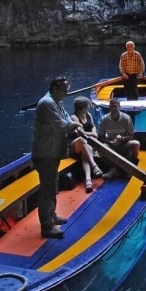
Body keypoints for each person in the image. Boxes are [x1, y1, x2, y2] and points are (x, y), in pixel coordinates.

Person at [31, 76, 83, 239]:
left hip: (53, 151)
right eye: (64, 90)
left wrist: (72, 123)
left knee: (52, 185)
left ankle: (51, 215)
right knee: (47, 189)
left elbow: (66, 117)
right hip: (45, 152)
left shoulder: (56, 102)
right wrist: (74, 125)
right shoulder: (47, 103)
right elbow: (61, 124)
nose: (66, 94)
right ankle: (47, 226)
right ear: (55, 88)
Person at [98, 98, 140, 179]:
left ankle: (131, 166)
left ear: (119, 107)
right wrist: (110, 142)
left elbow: (131, 135)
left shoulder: (126, 118)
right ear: (109, 107)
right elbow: (101, 136)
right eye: (111, 106)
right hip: (111, 143)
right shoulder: (104, 119)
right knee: (101, 148)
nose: (113, 109)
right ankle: (114, 168)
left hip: (123, 143)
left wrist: (123, 139)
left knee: (136, 144)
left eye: (115, 107)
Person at [70, 96, 103, 193]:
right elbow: (80, 132)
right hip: (75, 144)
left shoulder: (88, 115)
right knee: (82, 140)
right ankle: (94, 165)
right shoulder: (74, 117)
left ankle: (88, 179)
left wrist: (94, 133)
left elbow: (93, 126)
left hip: (87, 143)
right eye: (87, 106)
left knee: (86, 151)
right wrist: (92, 134)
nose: (88, 107)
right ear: (82, 107)